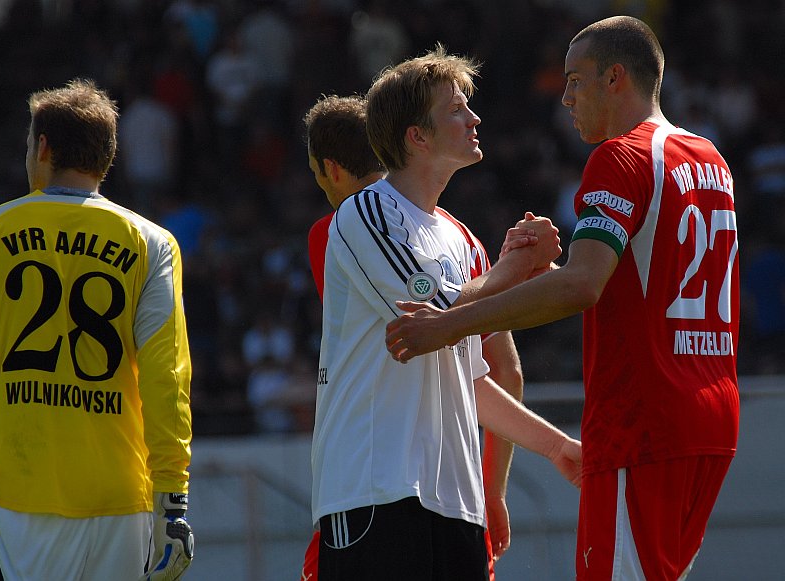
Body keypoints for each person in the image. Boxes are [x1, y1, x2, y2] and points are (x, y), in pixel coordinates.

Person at [386, 16, 740, 580]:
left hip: (643, 420)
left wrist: (449, 325)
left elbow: (583, 286)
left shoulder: (620, 157)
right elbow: (643, 286)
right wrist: (543, 269)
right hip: (710, 415)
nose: (565, 96)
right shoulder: (706, 157)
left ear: (615, 78)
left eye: (576, 80)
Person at [311, 46, 582, 581]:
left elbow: (471, 378)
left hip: (454, 499)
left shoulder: (456, 235)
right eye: (457, 109)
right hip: (376, 490)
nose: (475, 118)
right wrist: (517, 265)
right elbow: (435, 321)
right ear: (418, 136)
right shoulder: (366, 212)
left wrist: (554, 447)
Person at [0, 79, 194, 580]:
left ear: (43, 147)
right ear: (108, 156)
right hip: (121, 499)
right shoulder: (152, 243)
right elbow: (167, 377)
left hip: (19, 494)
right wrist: (174, 499)